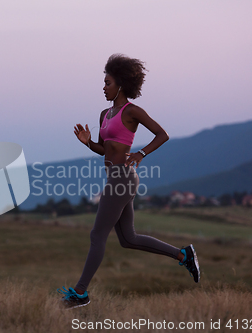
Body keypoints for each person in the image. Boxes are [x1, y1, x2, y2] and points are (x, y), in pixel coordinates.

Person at [58, 54, 200, 309]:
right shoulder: (104, 113)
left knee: (97, 234)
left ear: (121, 85)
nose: (103, 87)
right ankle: (184, 255)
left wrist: (141, 153)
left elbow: (162, 134)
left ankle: (80, 292)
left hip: (123, 177)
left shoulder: (132, 111)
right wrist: (88, 143)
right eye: (103, 83)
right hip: (116, 176)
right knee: (128, 239)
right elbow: (106, 150)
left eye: (108, 83)